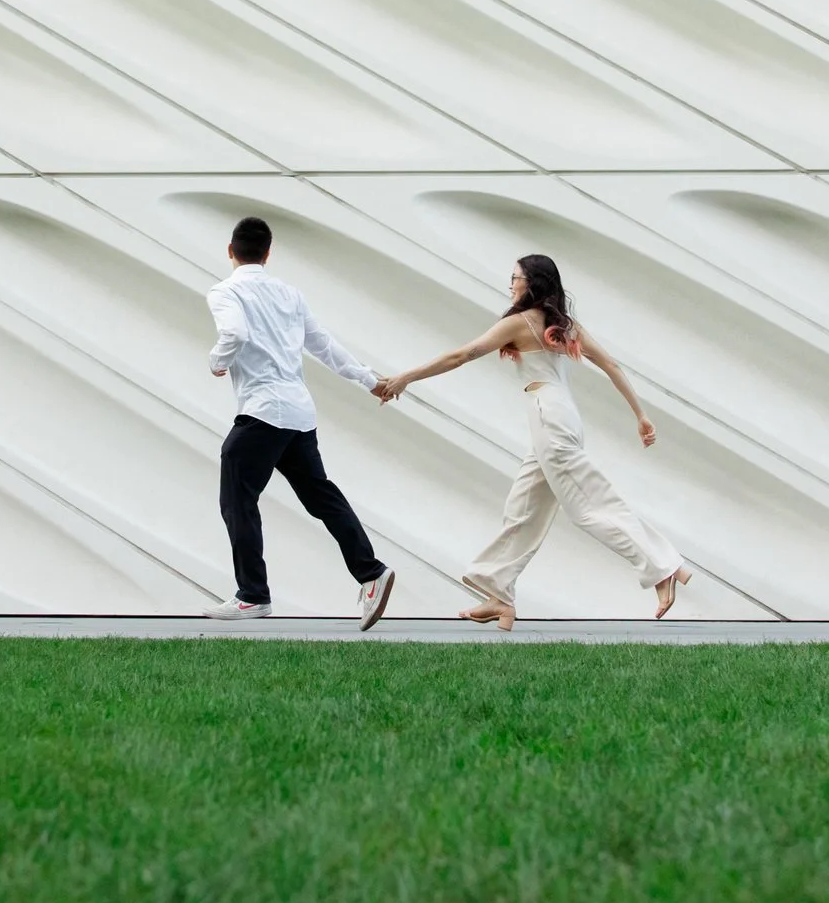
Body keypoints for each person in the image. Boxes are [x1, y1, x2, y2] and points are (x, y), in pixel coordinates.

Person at [375, 254, 688, 630]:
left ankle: (662, 567)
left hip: (549, 419)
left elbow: (460, 355)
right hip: (560, 417)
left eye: (515, 278)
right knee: (523, 509)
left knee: (588, 506)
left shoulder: (520, 322)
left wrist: (405, 378)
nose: (510, 284)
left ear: (532, 282)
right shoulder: (565, 325)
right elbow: (612, 365)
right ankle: (499, 595)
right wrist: (640, 414)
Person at [204, 215, 397, 628]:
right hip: (297, 414)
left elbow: (233, 334)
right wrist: (370, 381)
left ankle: (252, 595)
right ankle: (372, 572)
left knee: (237, 498)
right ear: (268, 254)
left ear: (231, 250)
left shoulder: (225, 291)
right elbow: (323, 345)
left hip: (262, 412)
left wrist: (217, 361)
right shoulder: (290, 294)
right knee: (321, 497)